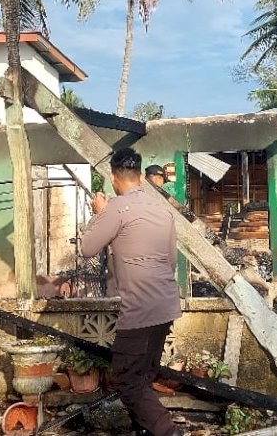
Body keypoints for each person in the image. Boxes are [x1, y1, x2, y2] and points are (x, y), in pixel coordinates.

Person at [81, 149, 182, 436]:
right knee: (143, 377)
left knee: (126, 379)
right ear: (140, 176)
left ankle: (167, 432)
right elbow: (172, 262)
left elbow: (87, 248)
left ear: (114, 179)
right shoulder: (162, 209)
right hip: (165, 305)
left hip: (139, 309)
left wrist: (99, 214)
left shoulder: (117, 208)